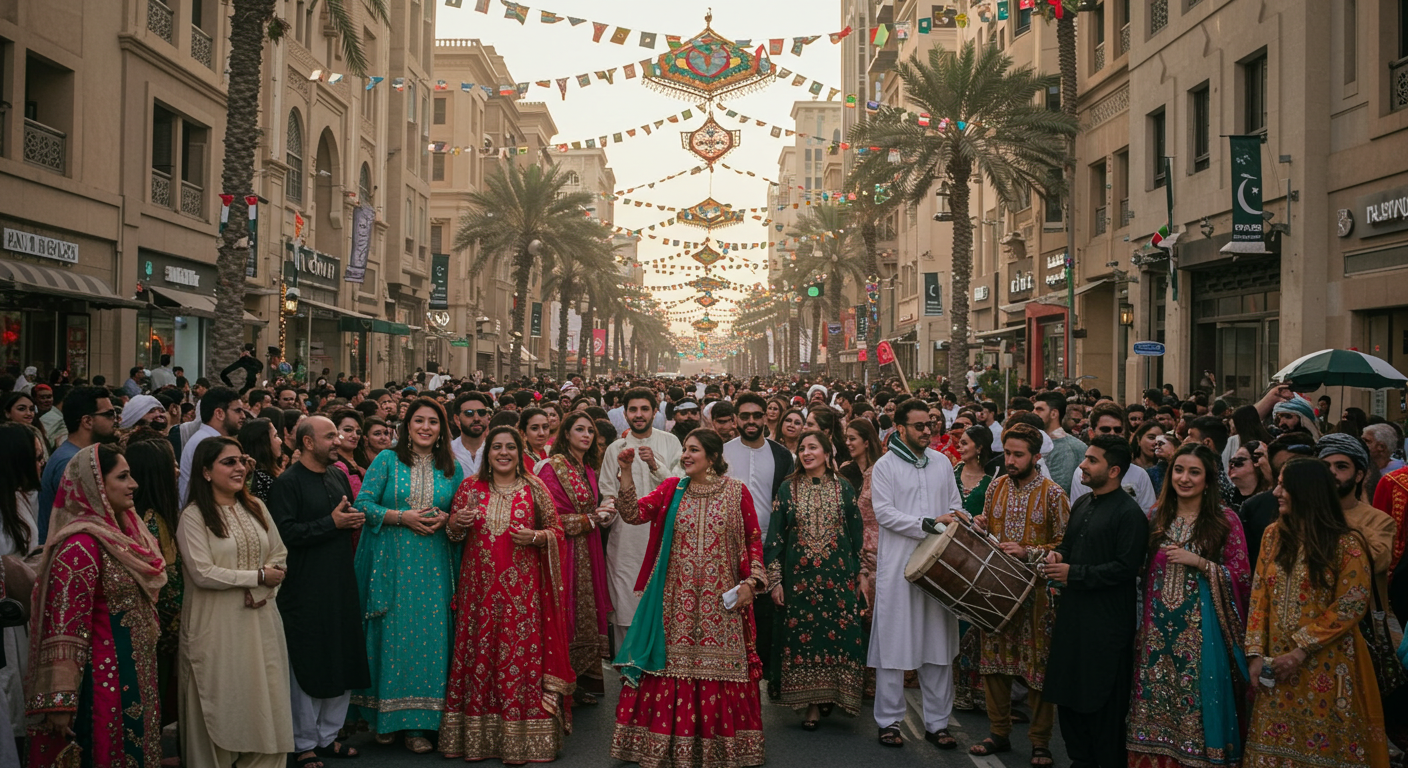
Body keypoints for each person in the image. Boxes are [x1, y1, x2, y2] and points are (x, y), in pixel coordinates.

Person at [610, 428, 766, 768]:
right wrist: (624, 472)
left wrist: (752, 583)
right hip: (674, 601)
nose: (685, 455)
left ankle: (722, 750)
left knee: (720, 671)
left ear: (712, 457)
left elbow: (754, 540)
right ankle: (664, 748)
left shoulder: (737, 493)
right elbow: (633, 514)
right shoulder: (672, 489)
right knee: (669, 667)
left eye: (693, 450)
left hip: (719, 602)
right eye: (684, 449)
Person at [1242, 458, 1389, 768]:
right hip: (1275, 666)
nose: (1276, 492)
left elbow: (1351, 603)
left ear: (1306, 491)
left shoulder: (1346, 542)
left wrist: (1300, 650)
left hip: (1328, 665)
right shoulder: (1272, 535)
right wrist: (1255, 653)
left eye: (1284, 485)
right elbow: (1259, 595)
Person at [27, 444, 167, 766]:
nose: (133, 484)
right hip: (103, 683)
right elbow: (64, 625)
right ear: (97, 487)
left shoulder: (125, 534)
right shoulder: (81, 545)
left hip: (135, 673)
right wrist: (61, 703)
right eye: (123, 477)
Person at [441, 425, 574, 763]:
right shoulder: (471, 487)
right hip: (479, 594)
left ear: (519, 452)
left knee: (518, 658)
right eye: (496, 447)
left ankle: (522, 737)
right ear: (488, 453)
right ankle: (477, 738)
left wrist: (536, 537)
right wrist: (458, 522)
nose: (503, 452)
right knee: (480, 655)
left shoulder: (535, 487)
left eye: (510, 447)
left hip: (522, 595)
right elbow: (453, 535)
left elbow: (557, 532)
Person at [1126, 443, 1252, 768]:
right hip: (1156, 632)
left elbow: (1241, 577)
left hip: (1202, 637)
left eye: (1194, 472)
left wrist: (1200, 562)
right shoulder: (1155, 516)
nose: (1184, 478)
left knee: (1199, 702)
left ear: (1208, 480)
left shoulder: (1226, 520)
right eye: (1178, 470)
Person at [350, 398, 462, 752]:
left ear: (442, 429)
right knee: (393, 635)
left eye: (433, 422)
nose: (426, 427)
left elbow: (460, 513)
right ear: (406, 426)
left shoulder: (451, 468)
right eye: (419, 421)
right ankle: (385, 719)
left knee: (430, 638)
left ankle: (419, 726)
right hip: (392, 563)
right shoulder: (387, 460)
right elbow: (363, 504)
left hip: (434, 566)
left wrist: (447, 519)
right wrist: (402, 517)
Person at [177, 437, 293, 768]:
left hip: (260, 623)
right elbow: (201, 572)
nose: (240, 467)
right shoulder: (194, 516)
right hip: (216, 628)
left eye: (242, 460)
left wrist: (261, 587)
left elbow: (279, 555)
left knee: (264, 706)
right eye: (229, 462)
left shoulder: (255, 506)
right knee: (218, 704)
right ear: (206, 472)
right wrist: (255, 578)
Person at [1040, 435, 1150, 768]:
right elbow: (1070, 547)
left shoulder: (1129, 514)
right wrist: (1058, 556)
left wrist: (1073, 573)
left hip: (1107, 624)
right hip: (1073, 618)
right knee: (1069, 696)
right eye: (1085, 458)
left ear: (1114, 470)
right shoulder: (1083, 504)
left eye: (1091, 460)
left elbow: (1124, 568)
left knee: (1103, 703)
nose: (1082, 465)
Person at [266, 416, 371, 764]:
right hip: (304, 587)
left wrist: (349, 519)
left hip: (340, 582)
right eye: (330, 436)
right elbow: (285, 535)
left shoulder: (338, 474)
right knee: (308, 663)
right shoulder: (288, 484)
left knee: (340, 658)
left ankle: (327, 736)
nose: (338, 441)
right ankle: (304, 742)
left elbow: (342, 518)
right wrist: (332, 523)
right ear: (308, 442)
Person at [968, 423, 1069, 763]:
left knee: (1037, 671)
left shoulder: (1054, 494)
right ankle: (999, 733)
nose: (1009, 460)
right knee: (994, 666)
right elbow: (990, 530)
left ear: (1036, 456)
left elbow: (1064, 546)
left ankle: (1040, 741)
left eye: (1018, 455)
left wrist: (1029, 552)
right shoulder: (995, 486)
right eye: (1007, 453)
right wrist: (980, 524)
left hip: (1036, 599)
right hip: (995, 592)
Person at [869, 398, 963, 749]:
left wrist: (956, 517)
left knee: (938, 646)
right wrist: (927, 524)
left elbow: (955, 503)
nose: (928, 431)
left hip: (940, 567)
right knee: (894, 645)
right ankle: (889, 722)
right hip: (898, 567)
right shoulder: (885, 466)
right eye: (921, 426)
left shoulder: (942, 462)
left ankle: (938, 723)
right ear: (901, 429)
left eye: (931, 425)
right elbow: (884, 513)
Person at [765, 430, 867, 727]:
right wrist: (775, 580)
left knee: (837, 637)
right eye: (802, 448)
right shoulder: (788, 488)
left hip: (838, 580)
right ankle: (809, 705)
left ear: (827, 452)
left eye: (813, 447)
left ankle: (830, 696)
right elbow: (776, 537)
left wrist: (859, 573)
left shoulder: (844, 488)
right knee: (801, 640)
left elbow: (855, 534)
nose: (807, 453)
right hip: (799, 581)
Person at [536, 411, 613, 704]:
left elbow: (588, 508)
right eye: (579, 429)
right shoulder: (552, 468)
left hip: (587, 550)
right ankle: (560, 684)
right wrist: (590, 519)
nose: (586, 435)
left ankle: (579, 681)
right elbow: (547, 516)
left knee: (585, 612)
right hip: (563, 553)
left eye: (590, 431)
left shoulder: (588, 468)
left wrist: (601, 514)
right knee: (565, 612)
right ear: (565, 434)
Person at [597, 388, 682, 649]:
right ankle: (627, 671)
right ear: (624, 414)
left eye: (644, 409)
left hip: (663, 537)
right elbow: (608, 492)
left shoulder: (670, 443)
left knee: (662, 605)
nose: (639, 415)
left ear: (655, 412)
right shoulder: (615, 449)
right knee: (625, 603)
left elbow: (679, 487)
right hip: (625, 541)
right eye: (633, 410)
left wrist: (655, 466)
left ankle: (656, 678)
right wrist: (606, 512)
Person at [124, 436, 185, 729]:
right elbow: (166, 581)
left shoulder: (153, 516)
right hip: (159, 629)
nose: (177, 471)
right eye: (170, 464)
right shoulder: (149, 522)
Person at [37, 385, 116, 543]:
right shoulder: (72, 462)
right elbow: (88, 522)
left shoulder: (78, 456)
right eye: (109, 414)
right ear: (87, 421)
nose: (116, 419)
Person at [0, 423, 38, 737]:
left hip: (22, 611)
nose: (40, 463)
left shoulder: (20, 498)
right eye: (34, 457)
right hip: (6, 615)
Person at [1069, 403, 1157, 512]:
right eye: (1105, 430)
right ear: (1091, 433)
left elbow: (1149, 516)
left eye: (1117, 430)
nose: (1112, 434)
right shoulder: (1081, 473)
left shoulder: (1139, 474)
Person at [178, 386, 248, 507]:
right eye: (237, 411)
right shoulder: (205, 442)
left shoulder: (210, 439)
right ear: (219, 413)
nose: (243, 416)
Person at [1032, 393, 1085, 496]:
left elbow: (1058, 492)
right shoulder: (1043, 442)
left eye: (1039, 409)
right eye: (1033, 409)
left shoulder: (1065, 448)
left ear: (1054, 414)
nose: (1033, 413)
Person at [238, 418, 283, 504]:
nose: (280, 441)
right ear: (263, 443)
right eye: (275, 436)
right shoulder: (261, 480)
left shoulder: (271, 472)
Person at [450, 390, 491, 478]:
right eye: (469, 413)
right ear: (457, 419)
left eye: (482, 413)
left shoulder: (496, 451)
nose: (476, 418)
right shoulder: (448, 452)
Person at [1362, 423, 1403, 502]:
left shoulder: (1398, 477)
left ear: (1381, 447)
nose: (1361, 444)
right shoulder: (1363, 467)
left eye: (1366, 441)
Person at [519, 406, 552, 472]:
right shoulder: (520, 460)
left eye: (545, 427)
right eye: (534, 428)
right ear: (523, 433)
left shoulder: (551, 452)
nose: (541, 433)